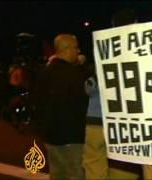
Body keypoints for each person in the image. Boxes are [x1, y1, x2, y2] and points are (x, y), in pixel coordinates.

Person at [34, 34, 88, 179]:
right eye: (76, 47)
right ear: (66, 49)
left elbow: (37, 103)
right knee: (76, 174)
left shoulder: (44, 72)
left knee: (57, 174)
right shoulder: (73, 74)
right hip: (72, 137)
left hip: (50, 136)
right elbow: (83, 105)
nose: (78, 51)